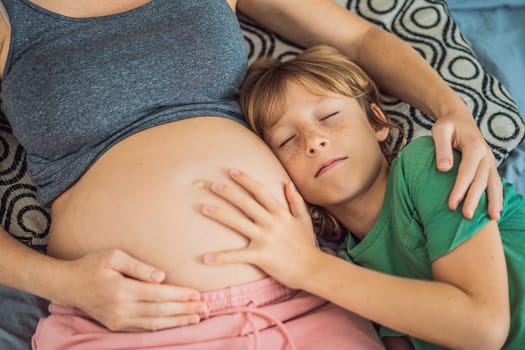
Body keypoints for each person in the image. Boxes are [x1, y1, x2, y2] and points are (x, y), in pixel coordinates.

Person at [0, 0, 503, 348]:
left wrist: (450, 109)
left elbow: (360, 35)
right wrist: (62, 283)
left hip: (304, 300)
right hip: (126, 324)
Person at [199, 45, 525, 349]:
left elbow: (483, 326)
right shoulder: (350, 266)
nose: (314, 141)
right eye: (287, 140)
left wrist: (308, 267)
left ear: (377, 121)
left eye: (329, 117)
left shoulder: (427, 162)